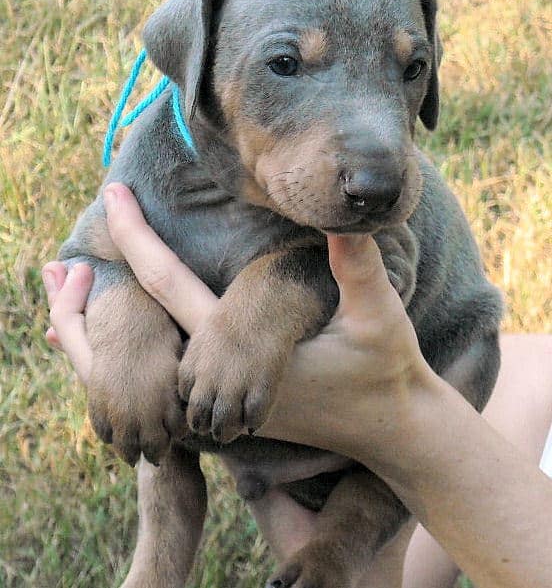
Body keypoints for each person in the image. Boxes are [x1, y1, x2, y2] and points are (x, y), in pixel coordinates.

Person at [42, 183, 552, 588]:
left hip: (384, 428)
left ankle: (345, 539)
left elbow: (390, 265)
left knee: (478, 353)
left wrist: (396, 425)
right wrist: (123, 322)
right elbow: (93, 258)